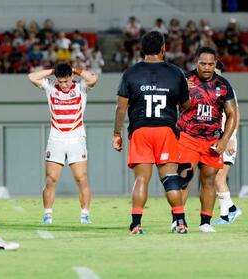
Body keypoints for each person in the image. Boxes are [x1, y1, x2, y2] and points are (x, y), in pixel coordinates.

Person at [113, 31, 191, 235]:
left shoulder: (130, 73)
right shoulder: (176, 73)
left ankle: (136, 224)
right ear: (163, 49)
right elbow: (186, 105)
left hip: (140, 131)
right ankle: (180, 222)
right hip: (165, 130)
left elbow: (120, 108)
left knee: (141, 180)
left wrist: (116, 133)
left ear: (141, 50)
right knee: (171, 179)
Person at [28, 63, 98, 224]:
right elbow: (32, 77)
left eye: (66, 81)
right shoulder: (51, 87)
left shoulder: (81, 87)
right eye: (60, 81)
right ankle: (47, 214)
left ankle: (85, 214)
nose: (64, 85)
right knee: (51, 179)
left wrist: (74, 70)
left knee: (82, 178)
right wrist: (54, 71)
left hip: (76, 138)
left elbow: (93, 78)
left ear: (72, 77)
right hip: (56, 138)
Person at [177, 47, 238, 232]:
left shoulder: (223, 84)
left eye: (211, 64)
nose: (206, 67)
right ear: (196, 62)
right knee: (183, 178)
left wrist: (225, 139)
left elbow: (232, 114)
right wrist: (182, 92)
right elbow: (175, 105)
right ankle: (178, 219)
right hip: (187, 137)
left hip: (212, 140)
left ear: (216, 63)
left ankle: (205, 222)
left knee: (209, 180)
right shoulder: (185, 80)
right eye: (203, 63)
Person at [212, 61, 242, 225]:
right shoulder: (209, 90)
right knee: (214, 177)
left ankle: (225, 215)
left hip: (227, 139)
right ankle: (231, 209)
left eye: (216, 70)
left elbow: (235, 115)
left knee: (219, 177)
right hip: (215, 139)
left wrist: (231, 138)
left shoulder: (227, 89)